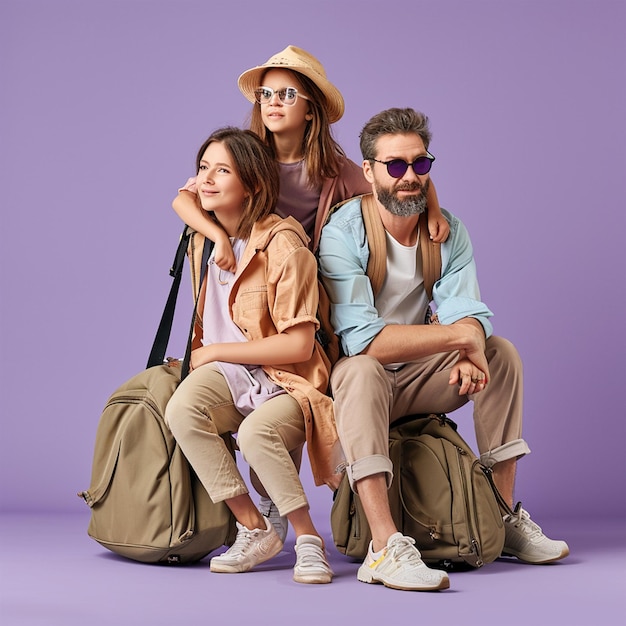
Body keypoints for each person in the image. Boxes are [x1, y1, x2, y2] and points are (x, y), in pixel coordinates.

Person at [171, 45, 451, 542]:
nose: (273, 102)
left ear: (311, 108)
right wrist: (216, 237)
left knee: (291, 405)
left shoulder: (337, 171)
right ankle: (268, 514)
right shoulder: (240, 156)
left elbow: (395, 179)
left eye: (286, 93)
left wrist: (431, 205)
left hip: (309, 293)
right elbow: (185, 197)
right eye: (265, 94)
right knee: (231, 407)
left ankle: (324, 518)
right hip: (252, 290)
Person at [318, 107, 570, 592]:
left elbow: (469, 311)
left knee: (502, 353)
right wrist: (461, 337)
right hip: (356, 394)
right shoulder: (343, 233)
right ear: (368, 171)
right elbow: (365, 340)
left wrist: (471, 343)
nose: (409, 177)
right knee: (361, 369)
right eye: (394, 165)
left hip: (421, 379)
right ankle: (383, 548)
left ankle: (500, 518)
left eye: (420, 164)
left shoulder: (448, 231)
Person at [164, 127, 335, 584]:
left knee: (260, 432)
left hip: (286, 377)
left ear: (253, 184)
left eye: (223, 170)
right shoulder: (204, 237)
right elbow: (182, 199)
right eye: (203, 168)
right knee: (182, 408)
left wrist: (216, 349)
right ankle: (254, 527)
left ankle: (307, 540)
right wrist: (218, 238)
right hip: (229, 373)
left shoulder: (284, 245)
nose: (207, 179)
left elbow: (299, 345)